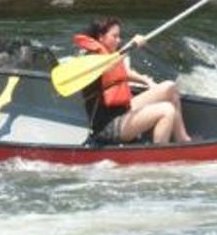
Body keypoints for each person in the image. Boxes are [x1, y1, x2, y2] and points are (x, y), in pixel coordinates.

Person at [74, 17, 192, 145]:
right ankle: (158, 154)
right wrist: (131, 46)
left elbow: (121, 73)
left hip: (123, 111)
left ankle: (183, 140)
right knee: (167, 110)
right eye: (114, 36)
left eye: (119, 36)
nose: (118, 40)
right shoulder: (90, 60)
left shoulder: (108, 55)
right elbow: (107, 67)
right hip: (109, 126)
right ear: (101, 37)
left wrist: (145, 80)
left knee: (170, 88)